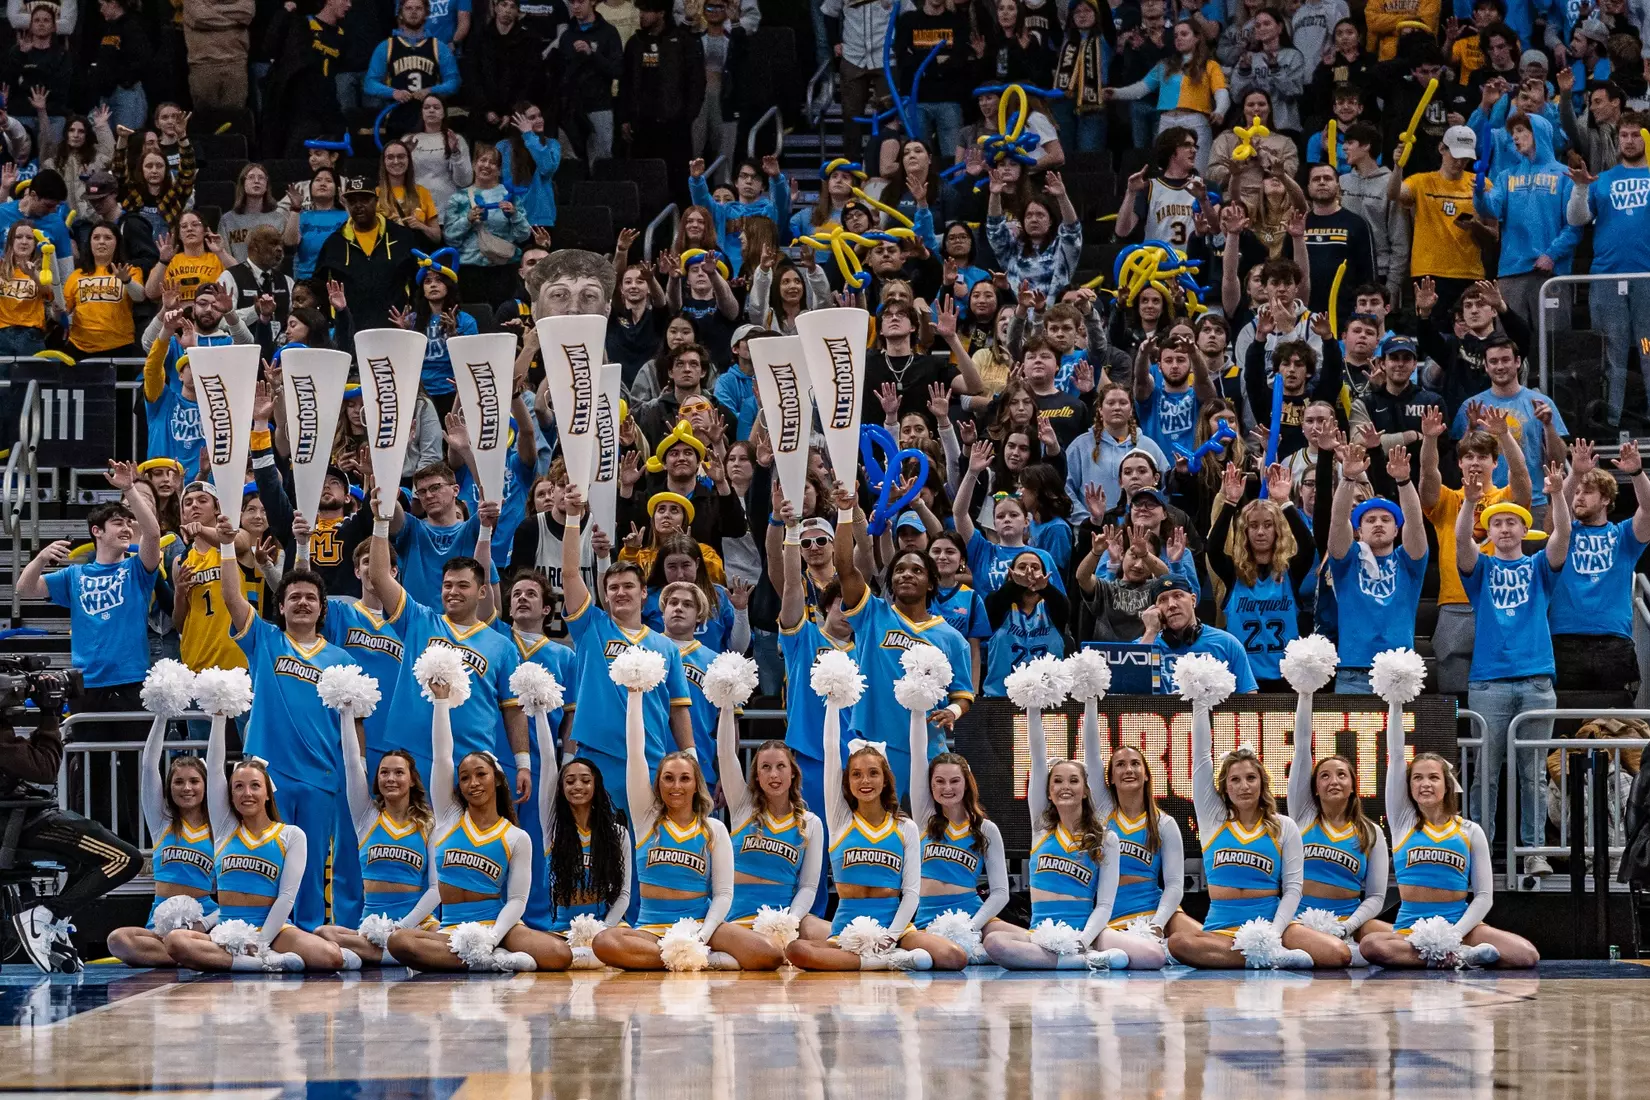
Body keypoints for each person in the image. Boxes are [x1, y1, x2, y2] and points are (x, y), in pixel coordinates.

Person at [215, 522, 365, 932]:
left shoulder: (343, 659)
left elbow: (356, 723)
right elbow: (231, 596)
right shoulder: (263, 640)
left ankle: (310, 936)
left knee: (313, 864)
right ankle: (259, 934)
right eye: (294, 597)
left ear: (322, 608)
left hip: (322, 775)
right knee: (265, 860)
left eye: (310, 598)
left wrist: (359, 768)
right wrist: (229, 545)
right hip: (267, 772)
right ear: (280, 606)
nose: (302, 603)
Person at [590, 658, 780, 970]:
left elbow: (723, 894)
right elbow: (635, 753)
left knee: (769, 954)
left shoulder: (713, 828)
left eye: (684, 778)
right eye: (668, 778)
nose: (676, 786)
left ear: (695, 784)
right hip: (652, 930)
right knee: (605, 942)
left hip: (701, 926)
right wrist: (635, 694)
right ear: (659, 783)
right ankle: (698, 962)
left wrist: (702, 936)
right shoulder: (646, 818)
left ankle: (689, 957)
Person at [383, 672, 573, 971]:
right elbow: (443, 756)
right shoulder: (448, 817)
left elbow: (517, 900)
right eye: (465, 777)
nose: (473, 783)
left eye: (481, 775)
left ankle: (482, 956)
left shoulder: (515, 836)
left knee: (559, 955)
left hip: (500, 926)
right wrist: (441, 701)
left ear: (497, 780)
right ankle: (491, 964)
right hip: (451, 929)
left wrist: (492, 936)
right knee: (400, 942)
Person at [1167, 672, 1347, 969]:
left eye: (1251, 778)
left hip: (1274, 925)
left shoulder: (1283, 825)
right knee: (1179, 943)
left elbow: (1293, 889)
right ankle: (1264, 960)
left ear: (1262, 783)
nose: (1244, 786)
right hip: (1223, 928)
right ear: (1225, 787)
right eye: (1235, 780)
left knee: (1338, 953)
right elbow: (1200, 758)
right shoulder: (1213, 819)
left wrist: (1271, 935)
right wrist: (1199, 702)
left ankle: (1256, 956)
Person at [1356, 695, 1539, 968]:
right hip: (1410, 930)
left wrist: (1453, 934)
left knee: (1526, 955)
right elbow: (1395, 757)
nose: (1425, 784)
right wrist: (1395, 702)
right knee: (1372, 945)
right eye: (1417, 778)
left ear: (1447, 785)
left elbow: (1484, 896)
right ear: (1409, 786)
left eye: (1433, 777)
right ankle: (1457, 959)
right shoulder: (1403, 822)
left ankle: (1449, 953)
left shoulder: (1470, 830)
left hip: (1460, 926)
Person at [1458, 462, 1571, 872]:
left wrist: (1557, 494)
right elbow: (1460, 548)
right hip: (1488, 683)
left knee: (1534, 773)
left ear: (1525, 531)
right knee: (1483, 776)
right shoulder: (1482, 569)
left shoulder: (1540, 567)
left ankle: (1534, 853)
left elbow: (1562, 539)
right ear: (1488, 532)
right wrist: (1469, 506)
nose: (1505, 528)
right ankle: (1480, 856)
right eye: (1498, 523)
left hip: (1537, 680)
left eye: (1512, 522)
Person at [161, 718, 344, 972]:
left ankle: (247, 961)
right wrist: (218, 715)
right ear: (230, 794)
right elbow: (214, 769)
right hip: (226, 930)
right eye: (238, 787)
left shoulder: (290, 835)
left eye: (255, 786)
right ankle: (259, 965)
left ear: (268, 792)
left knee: (330, 957)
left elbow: (287, 897)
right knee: (175, 941)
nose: (247, 793)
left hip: (274, 928)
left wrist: (260, 943)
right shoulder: (225, 829)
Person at [559, 484, 694, 819]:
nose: (620, 593)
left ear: (644, 593)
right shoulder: (591, 626)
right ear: (604, 594)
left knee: (643, 850)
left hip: (651, 759)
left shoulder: (666, 647)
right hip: (597, 758)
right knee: (600, 853)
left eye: (628, 586)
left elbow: (678, 709)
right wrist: (574, 519)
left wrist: (689, 754)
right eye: (613, 587)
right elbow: (571, 573)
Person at [981, 689, 1139, 970]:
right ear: (1049, 792)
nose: (1065, 787)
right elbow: (1037, 758)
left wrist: (1083, 939)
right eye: (1058, 782)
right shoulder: (1040, 827)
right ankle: (1080, 964)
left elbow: (1104, 905)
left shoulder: (1107, 838)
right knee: (994, 941)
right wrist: (1032, 706)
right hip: (1040, 935)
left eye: (1074, 781)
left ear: (1085, 790)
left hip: (1084, 934)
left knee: (1151, 956)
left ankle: (1075, 957)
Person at [783, 731, 963, 972]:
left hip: (894, 928)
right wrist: (835, 700)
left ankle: (878, 958)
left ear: (886, 779)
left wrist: (890, 937)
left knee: (953, 957)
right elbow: (831, 749)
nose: (865, 781)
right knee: (797, 951)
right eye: (856, 775)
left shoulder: (904, 827)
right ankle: (885, 962)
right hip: (848, 932)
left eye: (873, 773)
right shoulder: (840, 821)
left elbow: (911, 894)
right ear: (847, 781)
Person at [1421, 404, 1530, 695]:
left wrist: (1504, 436)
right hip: (1454, 604)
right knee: (1453, 699)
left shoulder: (1505, 498)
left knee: (1498, 691)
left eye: (1482, 456)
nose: (1474, 462)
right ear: (1459, 464)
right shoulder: (1446, 500)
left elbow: (1520, 474)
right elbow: (1428, 475)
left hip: (1498, 602)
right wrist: (1430, 439)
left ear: (1495, 463)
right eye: (1468, 456)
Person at [1285, 671, 1390, 962]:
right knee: (1339, 954)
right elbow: (1302, 746)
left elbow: (1376, 897)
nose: (1333, 781)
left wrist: (1348, 926)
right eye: (1325, 776)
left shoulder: (1371, 832)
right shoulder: (1303, 817)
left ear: (1353, 785)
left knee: (1397, 937)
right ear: (1315, 787)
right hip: (1300, 921)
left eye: (1341, 775)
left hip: (1349, 921)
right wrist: (1305, 695)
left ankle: (1458, 954)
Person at [312, 729, 439, 966]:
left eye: (399, 772)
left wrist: (403, 927)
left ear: (412, 780)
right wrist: (347, 711)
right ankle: (397, 956)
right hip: (373, 925)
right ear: (377, 779)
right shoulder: (366, 817)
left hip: (416, 925)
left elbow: (436, 888)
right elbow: (351, 764)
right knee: (323, 933)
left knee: (440, 938)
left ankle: (379, 955)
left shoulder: (429, 823)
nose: (391, 778)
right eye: (384, 773)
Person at [106, 699, 217, 968]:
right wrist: (161, 714)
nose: (186, 788)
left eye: (194, 781)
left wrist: (206, 924)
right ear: (169, 787)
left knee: (184, 940)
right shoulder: (161, 823)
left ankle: (189, 950)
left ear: (206, 785)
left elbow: (228, 897)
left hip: (204, 920)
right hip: (161, 917)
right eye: (178, 781)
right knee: (118, 940)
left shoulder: (219, 826)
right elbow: (148, 766)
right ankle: (187, 956)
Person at [1565, 113, 1650, 427]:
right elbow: (1576, 220)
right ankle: (1611, 424)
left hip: (1647, 280)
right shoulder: (1603, 180)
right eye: (1624, 135)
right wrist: (1579, 189)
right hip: (1607, 279)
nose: (1629, 141)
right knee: (1612, 355)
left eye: (1635, 135)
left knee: (1648, 350)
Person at [1326, 439, 1428, 692]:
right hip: (1352, 673)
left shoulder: (1408, 561)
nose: (1379, 523)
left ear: (1396, 530)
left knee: (1400, 735)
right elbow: (1338, 522)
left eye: (1386, 519)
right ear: (1359, 531)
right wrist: (1348, 479)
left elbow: (1415, 524)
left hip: (1400, 673)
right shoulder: (1347, 560)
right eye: (1370, 520)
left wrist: (1404, 482)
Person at [1551, 440, 1650, 693]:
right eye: (1576, 493)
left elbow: (1648, 510)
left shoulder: (1624, 536)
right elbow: (1558, 512)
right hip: (1565, 639)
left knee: (1616, 724)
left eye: (1587, 492)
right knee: (1565, 727)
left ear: (1605, 499)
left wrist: (1637, 474)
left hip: (1614, 640)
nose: (1579, 498)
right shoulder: (1563, 533)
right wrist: (1575, 473)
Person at [1207, 464, 1315, 690]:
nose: (1260, 532)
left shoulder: (1289, 572)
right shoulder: (1233, 574)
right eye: (1253, 526)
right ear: (1245, 532)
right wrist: (1230, 503)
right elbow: (1214, 549)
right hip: (1243, 680)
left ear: (1277, 531)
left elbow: (1307, 546)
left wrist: (1285, 502)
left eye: (1268, 525)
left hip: (1286, 681)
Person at [1389, 125, 1488, 315]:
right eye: (1455, 155)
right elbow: (1393, 194)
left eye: (1465, 157)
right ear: (1442, 149)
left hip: (1469, 271)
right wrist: (1398, 166)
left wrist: (1476, 224)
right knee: (1430, 330)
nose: (1460, 162)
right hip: (1428, 271)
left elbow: (1492, 232)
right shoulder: (1420, 181)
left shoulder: (1480, 184)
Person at [541, 749, 630, 949]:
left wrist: (601, 932)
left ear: (596, 785)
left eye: (585, 780)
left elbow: (624, 894)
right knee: (545, 952)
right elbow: (547, 762)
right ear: (561, 788)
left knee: (629, 944)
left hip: (606, 926)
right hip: (563, 929)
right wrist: (539, 716)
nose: (578, 786)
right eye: (570, 781)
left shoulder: (618, 833)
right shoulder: (553, 830)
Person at [619, 0, 704, 208]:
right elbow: (626, 84)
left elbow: (696, 83)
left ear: (662, 13)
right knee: (645, 183)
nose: (642, 15)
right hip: (643, 127)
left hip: (675, 127)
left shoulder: (684, 41)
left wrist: (686, 116)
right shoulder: (635, 43)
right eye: (641, 10)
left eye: (647, 10)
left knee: (678, 183)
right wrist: (624, 118)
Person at [1138, 576, 1259, 694]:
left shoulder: (1227, 643)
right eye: (1163, 599)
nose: (1171, 605)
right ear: (1155, 609)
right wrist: (1150, 632)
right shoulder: (1145, 644)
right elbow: (1132, 692)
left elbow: (1249, 699)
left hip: (1213, 714)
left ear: (1193, 600)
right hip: (1162, 714)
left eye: (1178, 595)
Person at [365, 0, 462, 139]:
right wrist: (393, 93)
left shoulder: (439, 46)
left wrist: (431, 91)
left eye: (418, 8)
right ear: (400, 13)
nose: (413, 12)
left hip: (430, 120)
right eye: (409, 8)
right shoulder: (386, 46)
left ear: (426, 13)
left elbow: (454, 82)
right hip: (397, 117)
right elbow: (370, 84)